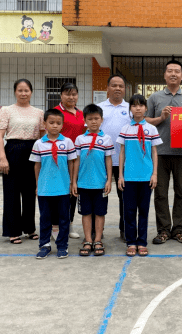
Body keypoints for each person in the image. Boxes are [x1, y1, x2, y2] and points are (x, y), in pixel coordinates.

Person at [146, 59, 182, 245]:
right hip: (159, 152)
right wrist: (161, 117)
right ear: (164, 75)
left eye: (177, 71)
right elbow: (145, 121)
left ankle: (178, 230)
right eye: (170, 71)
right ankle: (163, 230)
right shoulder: (155, 97)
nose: (173, 74)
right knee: (160, 192)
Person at [0, 79, 45, 244]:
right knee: (12, 193)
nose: (23, 93)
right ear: (15, 92)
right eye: (20, 90)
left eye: (26, 90)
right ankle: (13, 230)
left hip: (33, 151)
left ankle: (30, 228)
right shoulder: (6, 110)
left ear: (31, 92)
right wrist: (2, 158)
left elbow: (42, 136)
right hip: (13, 151)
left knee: (30, 192)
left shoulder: (38, 112)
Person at [117, 94, 162, 256]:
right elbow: (121, 153)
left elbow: (155, 152)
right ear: (130, 109)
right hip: (129, 177)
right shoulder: (125, 129)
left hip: (146, 177)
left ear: (146, 108)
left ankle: (142, 241)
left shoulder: (152, 129)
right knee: (129, 211)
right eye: (134, 105)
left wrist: (155, 173)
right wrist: (120, 175)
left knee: (143, 211)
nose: (138, 108)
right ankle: (131, 242)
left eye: (141, 105)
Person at [30, 109, 76, 259]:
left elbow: (71, 163)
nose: (55, 126)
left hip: (63, 187)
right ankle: (44, 245)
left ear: (62, 125)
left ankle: (62, 246)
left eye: (58, 123)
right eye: (51, 123)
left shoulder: (67, 142)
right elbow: (37, 166)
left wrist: (71, 182)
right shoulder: (39, 144)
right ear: (44, 124)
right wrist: (38, 185)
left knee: (64, 218)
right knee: (45, 218)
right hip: (45, 188)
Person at [71, 104, 114, 257]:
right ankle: (88, 239)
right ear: (85, 120)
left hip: (100, 184)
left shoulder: (106, 139)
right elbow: (76, 160)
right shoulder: (80, 139)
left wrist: (109, 180)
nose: (93, 122)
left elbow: (108, 160)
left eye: (96, 118)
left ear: (101, 120)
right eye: (90, 119)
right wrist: (74, 181)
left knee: (100, 213)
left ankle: (97, 240)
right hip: (83, 184)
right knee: (86, 213)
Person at [98, 74, 131, 240]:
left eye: (121, 86)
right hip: (101, 161)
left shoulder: (131, 109)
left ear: (125, 89)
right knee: (99, 196)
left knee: (124, 198)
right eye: (114, 85)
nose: (117, 88)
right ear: (107, 88)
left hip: (123, 161)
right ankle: (98, 231)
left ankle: (124, 229)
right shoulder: (98, 108)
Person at [53, 82, 86, 240]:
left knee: (72, 192)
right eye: (67, 94)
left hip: (76, 159)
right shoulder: (55, 112)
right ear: (61, 95)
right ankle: (55, 226)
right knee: (58, 192)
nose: (71, 97)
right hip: (59, 157)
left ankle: (69, 223)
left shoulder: (80, 113)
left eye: (74, 94)